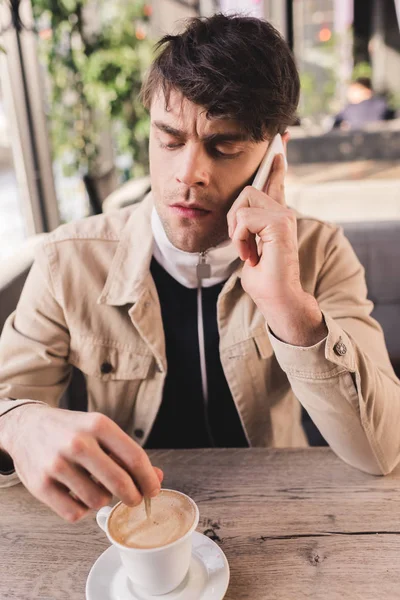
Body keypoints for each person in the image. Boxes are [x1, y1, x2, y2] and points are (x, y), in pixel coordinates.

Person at [0, 14, 399, 523]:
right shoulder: (68, 260)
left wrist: (289, 307)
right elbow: (7, 399)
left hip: (273, 516)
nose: (188, 173)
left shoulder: (320, 251)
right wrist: (18, 425)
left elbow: (381, 450)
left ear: (274, 156)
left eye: (224, 146)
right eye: (169, 140)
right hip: (125, 522)